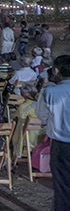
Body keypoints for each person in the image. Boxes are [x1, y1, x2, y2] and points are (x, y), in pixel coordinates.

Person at [36, 55, 70, 210]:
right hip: (60, 144)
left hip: (61, 145)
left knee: (62, 187)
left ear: (56, 70)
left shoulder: (49, 92)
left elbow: (41, 116)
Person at [12, 83, 44, 159]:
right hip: (41, 139)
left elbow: (16, 125)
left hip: (27, 141)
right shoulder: (43, 107)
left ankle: (12, 159)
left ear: (24, 95)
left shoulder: (23, 108)